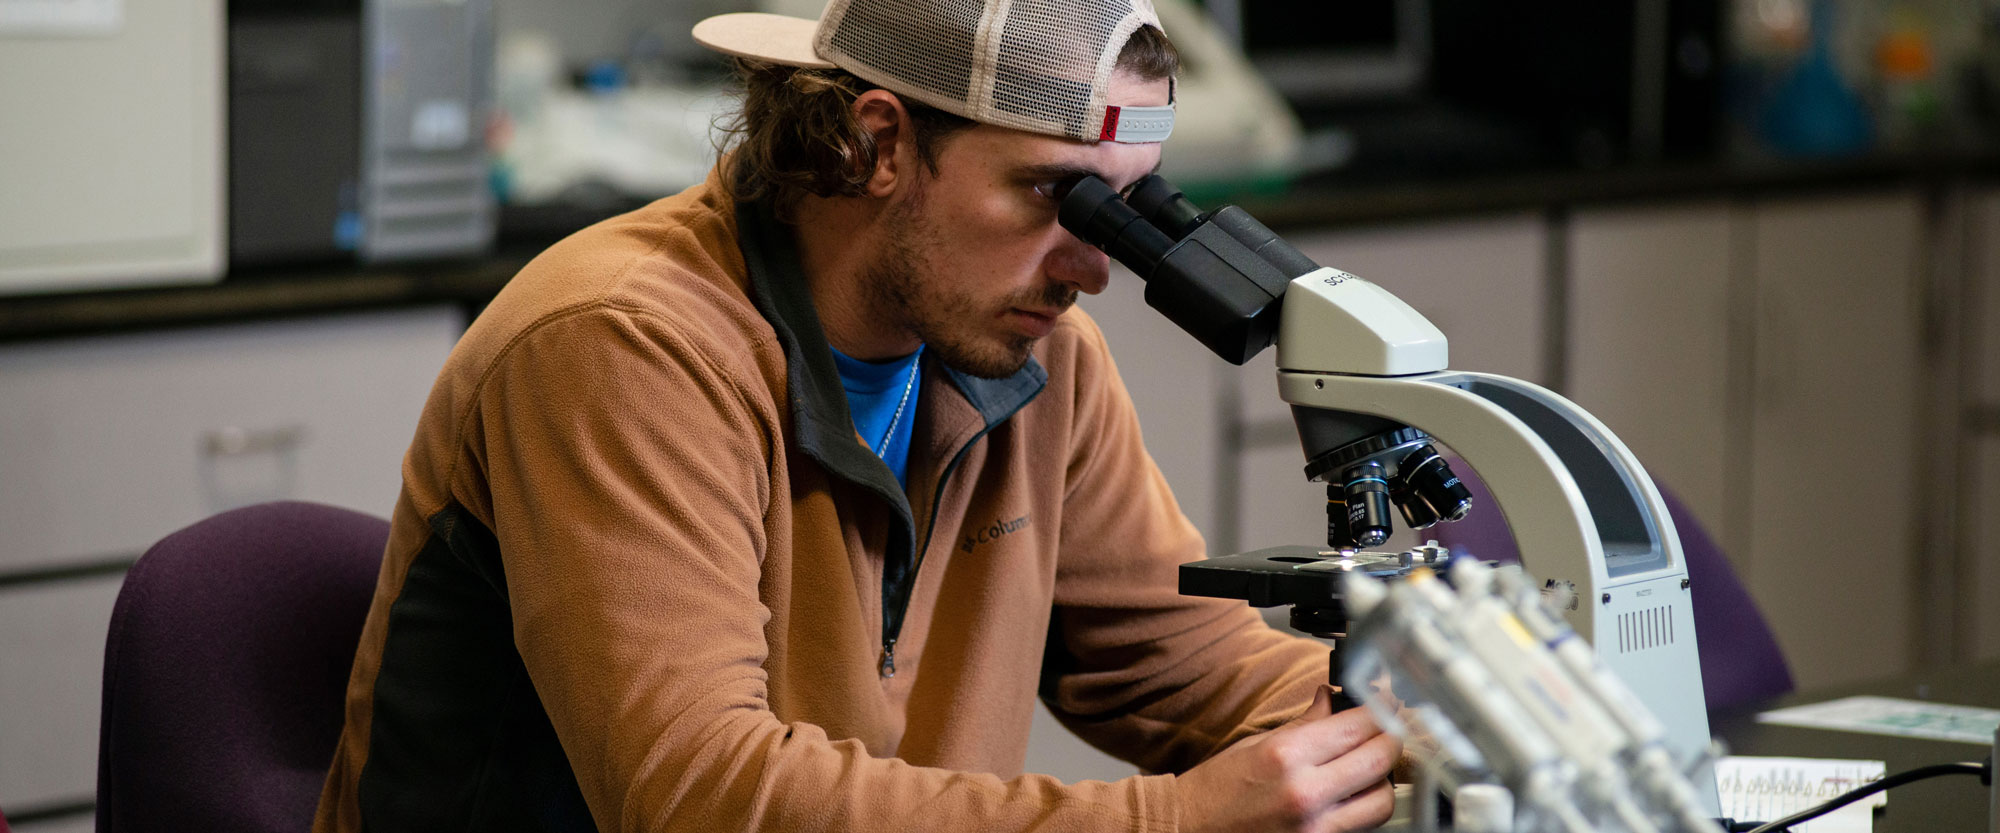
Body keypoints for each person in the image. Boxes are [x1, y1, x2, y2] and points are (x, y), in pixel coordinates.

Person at [312, 1, 1399, 831]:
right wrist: (1170, 818)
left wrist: (1421, 715)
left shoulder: (1035, 356)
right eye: (1054, 196)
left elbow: (1181, 666)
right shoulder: (620, 344)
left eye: (1128, 204)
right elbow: (695, 789)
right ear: (881, 143)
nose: (1092, 266)